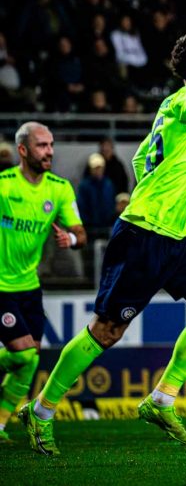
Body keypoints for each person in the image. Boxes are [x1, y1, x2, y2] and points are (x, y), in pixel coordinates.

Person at [20, 2, 186, 455]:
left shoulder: (179, 114)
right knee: (107, 331)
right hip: (144, 234)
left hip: (174, 234)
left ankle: (161, 398)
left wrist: (158, 189)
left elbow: (140, 161)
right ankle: (40, 410)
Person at [0, 122, 87, 444]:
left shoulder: (60, 188)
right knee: (22, 354)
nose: (49, 151)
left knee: (32, 357)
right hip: (0, 286)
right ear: (23, 150)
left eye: (51, 145)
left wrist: (72, 241)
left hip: (29, 286)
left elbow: (81, 234)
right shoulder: (4, 186)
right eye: (41, 145)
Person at [77, 153, 117, 231]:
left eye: (100, 168)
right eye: (95, 168)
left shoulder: (109, 184)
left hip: (107, 226)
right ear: (90, 169)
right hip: (90, 228)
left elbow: (112, 204)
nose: (98, 170)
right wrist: (87, 223)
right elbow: (81, 206)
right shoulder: (84, 186)